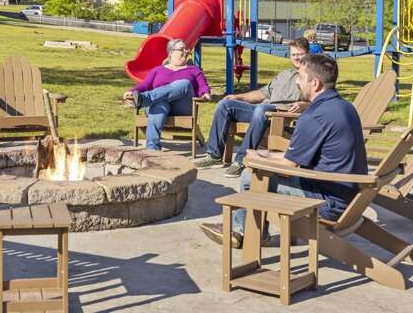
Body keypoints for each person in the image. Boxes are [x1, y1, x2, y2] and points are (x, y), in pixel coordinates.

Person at [200, 53, 368, 247]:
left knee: (250, 176)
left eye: (301, 78)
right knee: (261, 167)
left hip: (327, 202)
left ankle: (242, 231)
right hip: (345, 193)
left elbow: (289, 165)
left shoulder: (314, 116)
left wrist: (256, 161)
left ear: (315, 84)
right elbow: (305, 156)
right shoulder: (344, 107)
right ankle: (252, 230)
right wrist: (268, 154)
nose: (297, 82)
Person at [196, 38, 311, 177]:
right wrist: (239, 97)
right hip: (262, 111)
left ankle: (241, 160)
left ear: (308, 54)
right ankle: (214, 155)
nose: (296, 57)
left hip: (282, 115)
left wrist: (303, 105)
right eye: (293, 54)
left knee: (261, 109)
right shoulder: (284, 75)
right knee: (225, 105)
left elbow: (318, 101)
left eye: (300, 54)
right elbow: (262, 93)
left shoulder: (311, 76)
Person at [123, 39, 211, 150]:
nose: (186, 52)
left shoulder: (193, 70)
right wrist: (132, 91)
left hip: (182, 107)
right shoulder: (157, 70)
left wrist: (205, 93)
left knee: (184, 83)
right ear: (171, 52)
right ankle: (152, 149)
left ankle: (145, 99)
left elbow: (203, 86)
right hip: (160, 104)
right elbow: (144, 85)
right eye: (181, 49)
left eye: (186, 49)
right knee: (159, 104)